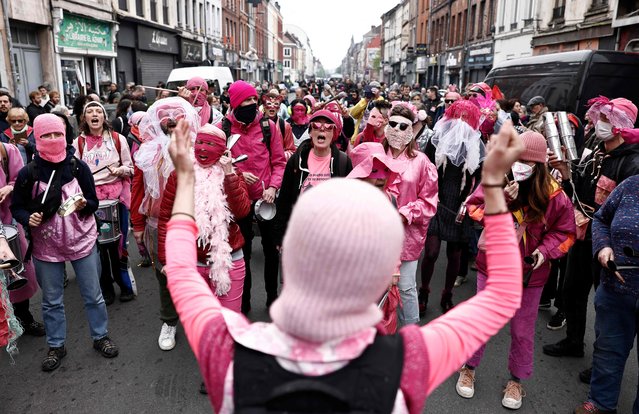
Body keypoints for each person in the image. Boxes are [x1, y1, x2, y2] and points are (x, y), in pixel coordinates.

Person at [163, 117, 525, 413]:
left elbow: (181, 270)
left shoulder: (228, 350)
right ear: (381, 277)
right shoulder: (406, 362)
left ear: (289, 255)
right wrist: (492, 187)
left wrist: (185, 178)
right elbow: (504, 295)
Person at [456, 130, 576, 410]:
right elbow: (473, 210)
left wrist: (542, 253)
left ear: (539, 165)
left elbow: (566, 232)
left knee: (523, 330)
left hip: (530, 275)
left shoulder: (554, 194)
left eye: (527, 161)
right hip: (493, 268)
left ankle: (516, 381)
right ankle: (469, 368)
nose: (519, 165)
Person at [11, 114, 119, 371]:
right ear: (36, 138)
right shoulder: (29, 172)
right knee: (51, 301)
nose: (52, 139)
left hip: (82, 241)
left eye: (57, 134)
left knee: (93, 295)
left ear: (65, 135)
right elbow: (17, 207)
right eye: (46, 135)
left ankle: (100, 336)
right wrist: (29, 218)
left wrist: (84, 205)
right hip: (47, 247)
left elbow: (93, 202)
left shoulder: (78, 167)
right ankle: (56, 344)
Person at [543, 97, 639, 374]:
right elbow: (582, 187)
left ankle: (603, 364)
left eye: (608, 120)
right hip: (583, 232)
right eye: (601, 118)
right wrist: (566, 172)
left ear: (622, 125)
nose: (601, 124)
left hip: (610, 245)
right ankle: (574, 341)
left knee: (605, 304)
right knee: (572, 290)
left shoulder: (632, 164)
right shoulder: (597, 150)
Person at [158, 124, 250, 315]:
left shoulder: (233, 174)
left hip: (229, 261)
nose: (203, 148)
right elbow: (167, 218)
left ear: (223, 150)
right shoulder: (179, 175)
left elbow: (241, 212)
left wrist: (228, 174)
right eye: (200, 142)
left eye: (210, 144)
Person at [130, 97, 200, 350]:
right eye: (164, 115)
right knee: (164, 275)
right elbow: (137, 189)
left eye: (176, 115)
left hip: (193, 223)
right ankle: (169, 321)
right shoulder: (147, 151)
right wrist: (137, 224)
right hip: (156, 223)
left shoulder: (198, 148)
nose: (170, 120)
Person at [573, 175, 639, 414]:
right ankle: (600, 403)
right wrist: (603, 246)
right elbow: (600, 219)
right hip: (616, 289)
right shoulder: (630, 185)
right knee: (608, 350)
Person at [219, 80, 286, 314]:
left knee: (271, 252)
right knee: (241, 256)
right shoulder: (223, 129)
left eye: (253, 100)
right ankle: (243, 303)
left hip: (267, 201)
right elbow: (216, 164)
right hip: (238, 203)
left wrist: (273, 188)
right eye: (245, 101)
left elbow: (279, 162)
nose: (251, 105)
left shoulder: (269, 126)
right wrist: (238, 174)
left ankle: (272, 299)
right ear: (235, 103)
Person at [420, 100, 485, 313]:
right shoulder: (436, 138)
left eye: (467, 118)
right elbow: (425, 166)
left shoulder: (476, 143)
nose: (462, 122)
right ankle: (424, 291)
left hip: (460, 204)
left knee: (455, 255)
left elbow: (480, 176)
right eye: (459, 116)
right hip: (436, 201)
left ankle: (447, 294)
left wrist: (471, 201)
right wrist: (427, 194)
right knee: (430, 252)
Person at [74, 101, 135, 305]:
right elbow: (74, 173)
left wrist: (120, 171)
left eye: (98, 111)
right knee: (98, 247)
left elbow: (130, 167)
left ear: (103, 116)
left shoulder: (117, 139)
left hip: (116, 198)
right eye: (89, 111)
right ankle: (106, 288)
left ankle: (124, 284)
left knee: (118, 245)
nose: (94, 114)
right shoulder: (78, 143)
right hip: (92, 201)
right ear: (84, 118)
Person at [383, 102, 438, 325]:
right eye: (392, 124)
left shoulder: (421, 162)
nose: (397, 130)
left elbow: (429, 202)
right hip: (375, 235)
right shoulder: (376, 154)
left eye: (403, 126)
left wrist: (404, 213)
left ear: (412, 130)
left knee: (405, 287)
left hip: (407, 236)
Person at [274, 109, 352, 246]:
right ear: (310, 132)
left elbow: (350, 204)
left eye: (328, 127)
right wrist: (280, 237)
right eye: (316, 126)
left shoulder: (343, 162)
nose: (322, 130)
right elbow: (284, 201)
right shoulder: (296, 160)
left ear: (334, 134)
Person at [261, 90, 296, 159]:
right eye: (269, 104)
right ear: (264, 106)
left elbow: (291, 150)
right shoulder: (256, 124)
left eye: (276, 104)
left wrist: (278, 156)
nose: (272, 107)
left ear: (279, 108)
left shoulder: (285, 125)